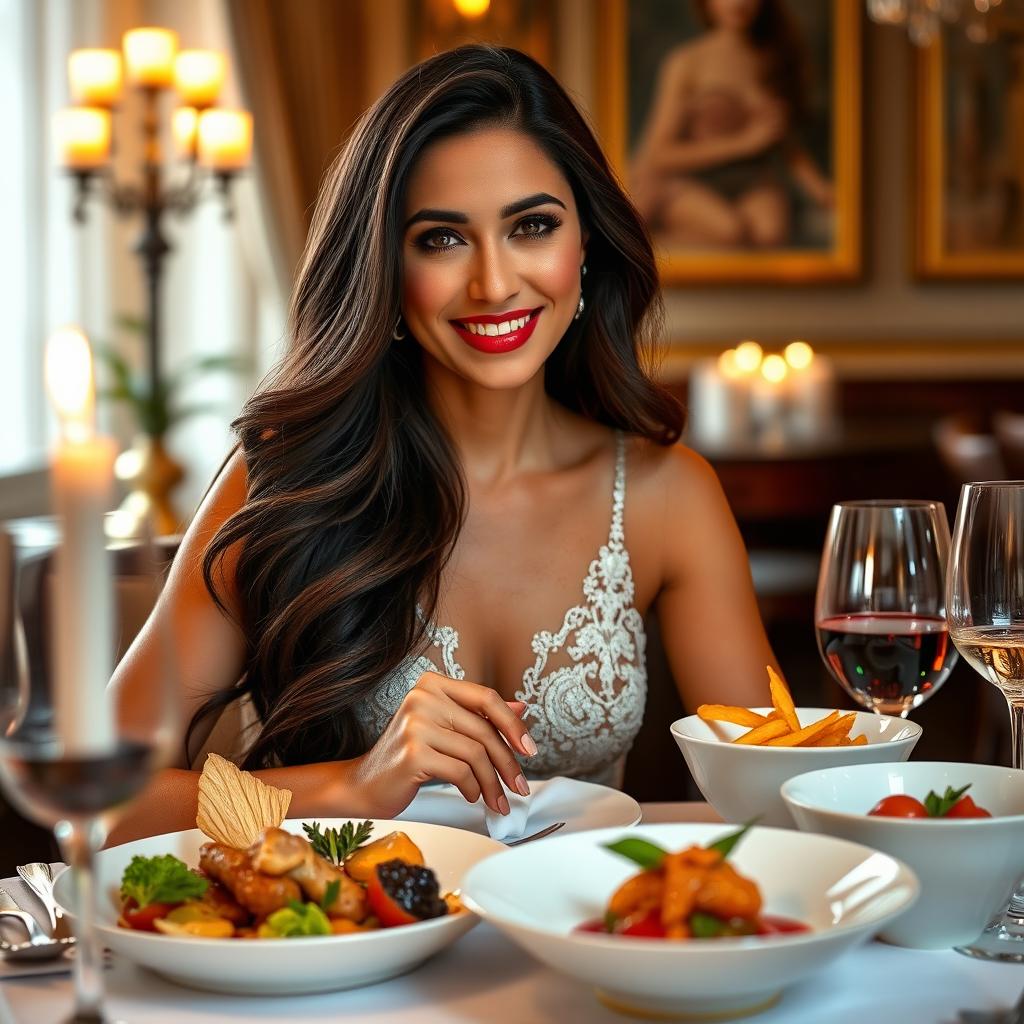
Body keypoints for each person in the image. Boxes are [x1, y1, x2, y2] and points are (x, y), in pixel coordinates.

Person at [109, 44, 778, 843]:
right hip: (341, 951)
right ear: (386, 268)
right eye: (442, 239)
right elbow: (108, 801)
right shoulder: (283, 478)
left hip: (584, 949)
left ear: (587, 246)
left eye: (532, 226)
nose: (495, 283)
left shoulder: (670, 495)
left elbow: (765, 797)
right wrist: (355, 783)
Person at [630, 0, 834, 249]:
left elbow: (784, 141)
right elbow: (659, 153)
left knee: (770, 233)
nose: (738, 3)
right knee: (730, 231)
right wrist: (744, 143)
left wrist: (821, 189)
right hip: (695, 178)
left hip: (751, 179)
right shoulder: (687, 62)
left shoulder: (771, 60)